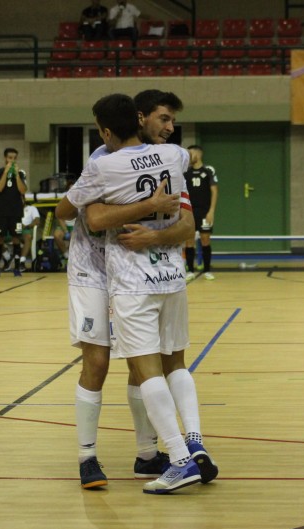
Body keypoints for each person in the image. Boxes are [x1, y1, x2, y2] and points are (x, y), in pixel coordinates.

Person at [61, 93, 213, 495]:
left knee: (141, 364)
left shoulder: (167, 157)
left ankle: (149, 453)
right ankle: (86, 457)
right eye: (163, 120)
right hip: (93, 268)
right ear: (139, 119)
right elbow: (93, 221)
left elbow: (187, 226)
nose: (169, 128)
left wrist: (156, 232)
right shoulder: (102, 160)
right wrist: (149, 205)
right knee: (98, 362)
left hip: (139, 269)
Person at [183, 145, 219, 281]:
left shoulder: (208, 170)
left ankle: (207, 270)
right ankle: (190, 270)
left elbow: (215, 191)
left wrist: (211, 211)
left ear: (198, 155)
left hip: (204, 211)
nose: (189, 156)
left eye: (191, 153)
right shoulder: (186, 172)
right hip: (190, 212)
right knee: (189, 241)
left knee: (205, 240)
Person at [0, 148, 27, 277]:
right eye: (10, 158)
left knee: (16, 239)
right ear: (5, 158)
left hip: (15, 212)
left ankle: (17, 268)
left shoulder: (21, 173)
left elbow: (23, 190)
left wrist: (16, 175)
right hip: (1, 212)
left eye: (14, 158)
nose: (12, 160)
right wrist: (6, 172)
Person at [19, 203, 41, 271]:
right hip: (13, 229)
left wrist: (26, 226)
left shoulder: (32, 208)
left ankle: (21, 262)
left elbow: (37, 221)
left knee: (28, 236)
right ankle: (7, 257)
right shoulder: (11, 208)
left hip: (26, 229)